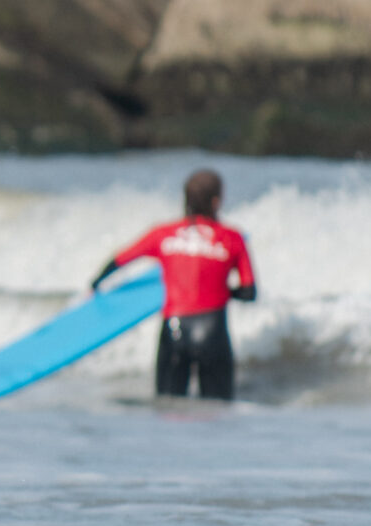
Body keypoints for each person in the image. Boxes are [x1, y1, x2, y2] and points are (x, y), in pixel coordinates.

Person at [92, 167, 255, 401]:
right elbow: (249, 292)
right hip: (213, 332)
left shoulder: (163, 234)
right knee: (217, 412)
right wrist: (222, 290)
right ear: (216, 201)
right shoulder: (232, 237)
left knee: (168, 410)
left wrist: (95, 283)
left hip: (174, 330)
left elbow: (120, 259)